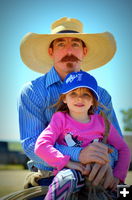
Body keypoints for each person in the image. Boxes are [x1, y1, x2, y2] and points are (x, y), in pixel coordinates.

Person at [19, 17, 123, 191]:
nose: (69, 50)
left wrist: (106, 161)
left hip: (99, 176)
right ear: (51, 51)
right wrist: (78, 155)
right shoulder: (32, 91)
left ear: (84, 51)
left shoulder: (102, 95)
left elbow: (117, 146)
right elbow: (31, 143)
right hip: (49, 176)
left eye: (75, 44)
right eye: (61, 44)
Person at [34, 71, 130, 199]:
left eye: (86, 94)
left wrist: (118, 176)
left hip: (99, 175)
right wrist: (68, 163)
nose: (79, 98)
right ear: (64, 98)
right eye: (73, 93)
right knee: (64, 179)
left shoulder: (102, 122)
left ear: (92, 101)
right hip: (72, 174)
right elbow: (41, 146)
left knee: (124, 192)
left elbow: (124, 149)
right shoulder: (60, 119)